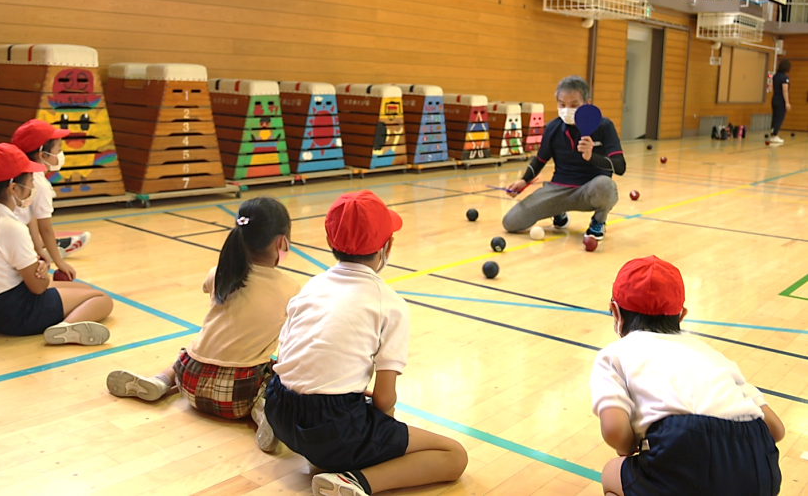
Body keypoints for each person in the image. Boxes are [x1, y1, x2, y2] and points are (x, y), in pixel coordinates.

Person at [265, 190, 467, 496]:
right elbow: (385, 401)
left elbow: (296, 357)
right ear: (388, 246)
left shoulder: (310, 286)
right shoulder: (389, 304)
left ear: (332, 242)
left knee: (336, 434)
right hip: (331, 425)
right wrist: (379, 432)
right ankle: (355, 481)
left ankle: (307, 445)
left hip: (277, 404)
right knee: (454, 456)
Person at [106, 197, 298, 453]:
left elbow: (210, 289)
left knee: (194, 348)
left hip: (190, 378)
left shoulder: (219, 272)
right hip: (239, 395)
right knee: (276, 374)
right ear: (281, 242)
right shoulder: (291, 289)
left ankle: (161, 381)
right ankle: (263, 412)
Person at [591, 256, 784, 496]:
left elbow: (613, 429)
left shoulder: (614, 355)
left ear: (615, 311)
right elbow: (776, 429)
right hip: (759, 464)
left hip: (682, 444)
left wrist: (631, 446)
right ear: (681, 315)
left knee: (612, 472)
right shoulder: (714, 356)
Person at [0, 143, 113, 344]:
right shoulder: (9, 226)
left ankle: (65, 324)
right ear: (14, 188)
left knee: (84, 291)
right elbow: (37, 287)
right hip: (16, 315)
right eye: (30, 181)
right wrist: (43, 274)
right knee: (101, 299)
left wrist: (40, 271)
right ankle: (64, 329)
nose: (33, 187)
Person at [503, 76, 625, 242]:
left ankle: (598, 222)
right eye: (562, 105)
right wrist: (523, 181)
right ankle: (558, 212)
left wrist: (592, 157)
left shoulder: (604, 126)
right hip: (558, 189)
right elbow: (540, 160)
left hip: (589, 192)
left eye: (574, 105)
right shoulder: (553, 127)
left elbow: (620, 167)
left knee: (606, 185)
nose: (567, 109)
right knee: (510, 222)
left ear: (587, 103)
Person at [11, 119, 90, 279]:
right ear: (43, 155)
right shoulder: (38, 183)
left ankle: (52, 245)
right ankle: (56, 247)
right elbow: (45, 227)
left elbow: (29, 216)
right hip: (14, 244)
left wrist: (38, 249)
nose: (60, 154)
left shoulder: (17, 173)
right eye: (58, 149)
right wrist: (59, 262)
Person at [770, 60, 792, 145]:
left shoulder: (775, 76)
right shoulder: (785, 78)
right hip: (780, 100)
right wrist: (787, 102)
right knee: (779, 117)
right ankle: (774, 134)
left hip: (774, 98)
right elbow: (785, 90)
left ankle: (772, 133)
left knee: (775, 117)